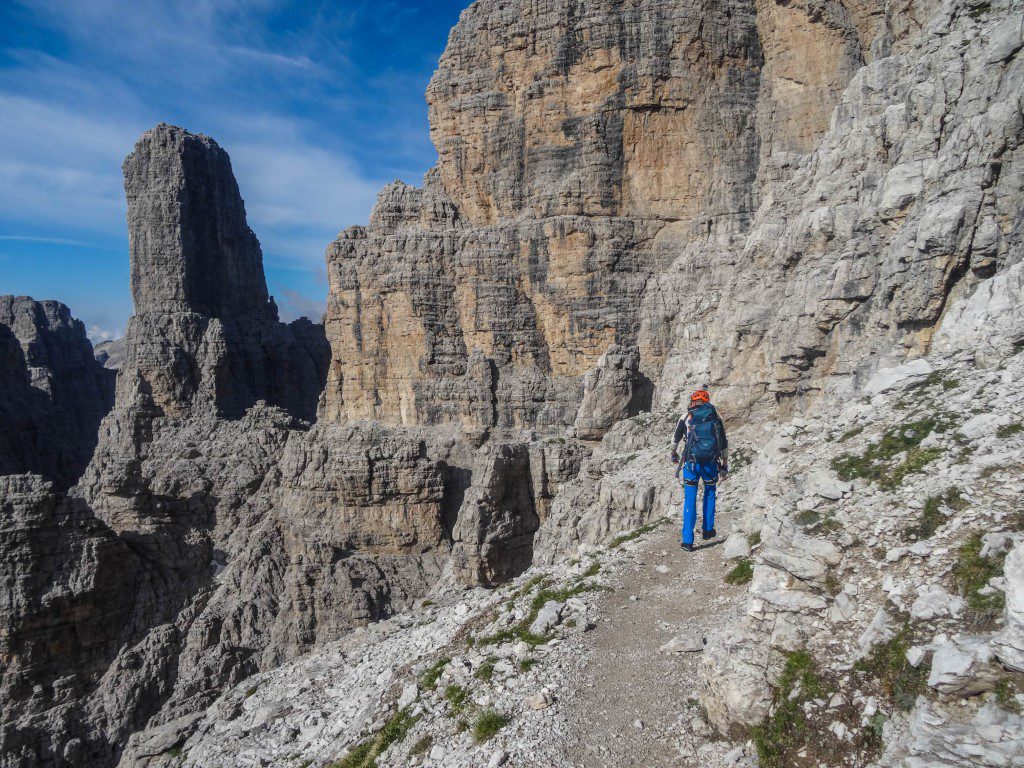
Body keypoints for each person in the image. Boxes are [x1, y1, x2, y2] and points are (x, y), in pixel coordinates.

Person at [670, 388, 728, 551]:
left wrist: (673, 454)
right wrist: (724, 465)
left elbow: (674, 440)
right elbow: (723, 443)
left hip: (691, 464)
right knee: (710, 493)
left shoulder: (686, 417)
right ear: (707, 402)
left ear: (692, 402)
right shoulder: (715, 417)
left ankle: (688, 541)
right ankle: (708, 530)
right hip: (710, 464)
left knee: (690, 499)